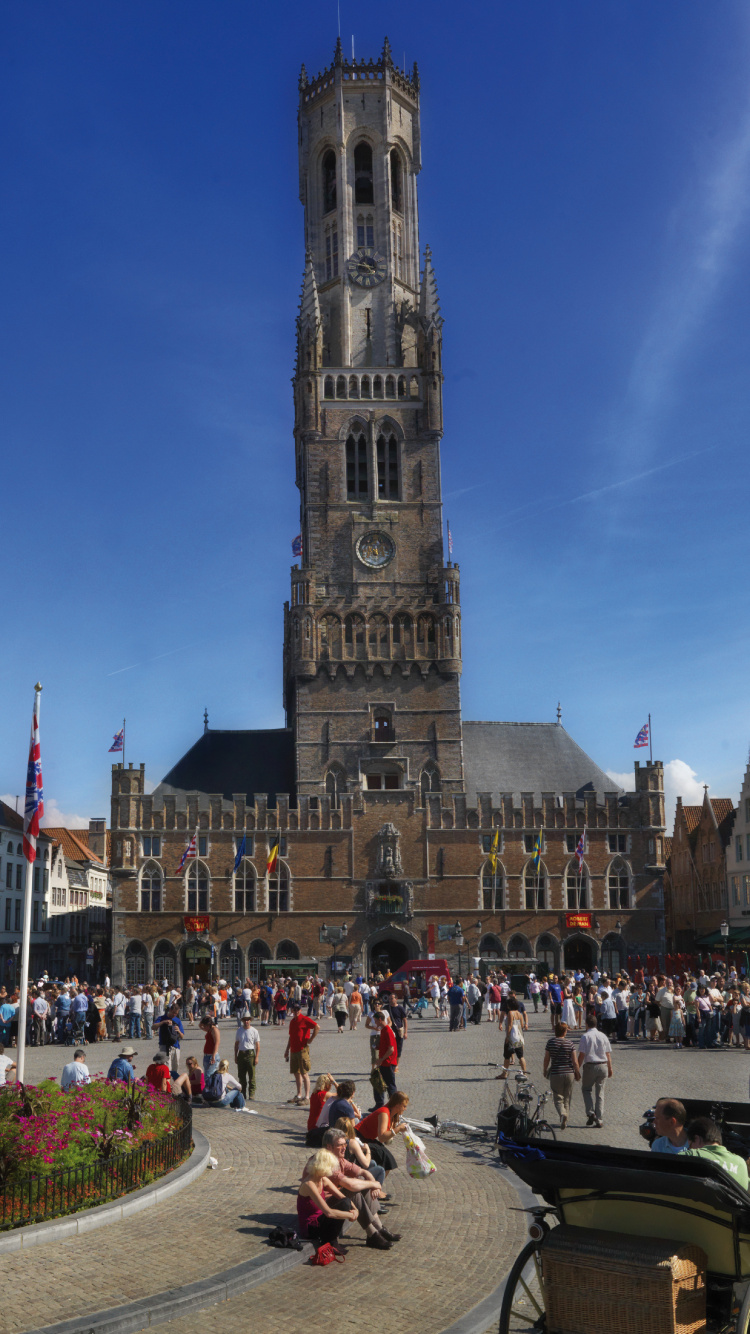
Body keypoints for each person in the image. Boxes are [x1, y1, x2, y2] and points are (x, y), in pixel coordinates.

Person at [321, 1127, 398, 1249]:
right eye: (340, 1145)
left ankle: (379, 1228)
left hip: (335, 1201)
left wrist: (373, 1183)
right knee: (354, 1189)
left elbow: (363, 1171)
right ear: (329, 1147)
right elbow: (350, 1185)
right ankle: (372, 1234)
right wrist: (375, 1184)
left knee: (362, 1181)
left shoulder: (339, 1159)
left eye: (345, 1144)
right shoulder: (326, 1163)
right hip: (322, 1207)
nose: (344, 1147)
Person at [296, 1149, 358, 1254]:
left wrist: (355, 1209)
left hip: (320, 1220)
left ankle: (332, 1240)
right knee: (343, 1205)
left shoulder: (322, 1179)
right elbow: (328, 1212)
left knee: (345, 1201)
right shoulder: (309, 1184)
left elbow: (342, 1197)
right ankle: (331, 1241)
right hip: (311, 1227)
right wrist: (349, 1215)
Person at [684, 1116, 749, 1190]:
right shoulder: (741, 1164)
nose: (690, 1149)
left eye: (690, 1145)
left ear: (696, 1139)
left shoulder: (690, 1155)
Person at [356, 1091, 409, 1178]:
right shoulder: (384, 1113)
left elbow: (386, 1139)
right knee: (388, 1160)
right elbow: (381, 1137)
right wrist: (398, 1129)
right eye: (404, 1106)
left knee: (387, 1160)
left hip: (366, 1138)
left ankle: (374, 1185)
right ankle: (375, 1186)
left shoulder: (391, 1114)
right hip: (360, 1138)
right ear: (397, 1105)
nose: (405, 1109)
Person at [577, 1013, 613, 1128]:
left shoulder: (585, 1037)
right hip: (603, 1066)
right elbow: (608, 1054)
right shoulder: (603, 1036)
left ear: (586, 1024)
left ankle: (590, 1112)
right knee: (600, 1092)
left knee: (586, 1089)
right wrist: (610, 1068)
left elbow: (582, 1055)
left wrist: (576, 1069)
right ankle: (599, 1118)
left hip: (590, 1066)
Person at [543, 1021, 580, 1130]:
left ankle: (562, 1114)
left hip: (556, 1073)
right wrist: (577, 1072)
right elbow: (575, 1061)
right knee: (567, 1097)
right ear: (565, 1031)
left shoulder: (550, 1042)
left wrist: (545, 1070)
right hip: (569, 1073)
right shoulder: (570, 1043)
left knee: (558, 1097)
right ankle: (566, 1119)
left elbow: (547, 1058)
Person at [284, 1003, 319, 1105]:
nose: (296, 1011)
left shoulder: (304, 1019)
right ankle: (299, 1095)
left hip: (302, 1049)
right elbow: (291, 1037)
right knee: (296, 1073)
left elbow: (317, 1027)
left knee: (304, 1073)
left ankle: (307, 1097)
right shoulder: (292, 1022)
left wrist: (311, 1039)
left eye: (298, 1009)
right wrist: (287, 1050)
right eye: (294, 1010)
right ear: (292, 1011)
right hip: (293, 1050)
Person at [371, 1011, 399, 1104]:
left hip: (388, 1062)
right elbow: (386, 1046)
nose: (375, 1023)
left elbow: (391, 1049)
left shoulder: (388, 1030)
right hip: (384, 1062)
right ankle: (379, 1104)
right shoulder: (383, 1030)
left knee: (390, 1085)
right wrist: (377, 1046)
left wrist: (381, 1059)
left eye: (375, 1020)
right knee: (378, 1083)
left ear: (380, 1019)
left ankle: (394, 1105)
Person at [497, 995, 527, 1079]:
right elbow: (521, 1025)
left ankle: (505, 1073)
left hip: (512, 1038)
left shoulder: (510, 1013)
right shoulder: (519, 1013)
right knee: (521, 1056)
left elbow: (510, 1025)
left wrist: (507, 1036)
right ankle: (524, 1073)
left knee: (507, 1056)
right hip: (519, 1037)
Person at [234, 1013, 260, 1100]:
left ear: (250, 1020)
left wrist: (257, 1057)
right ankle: (243, 1094)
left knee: (251, 1075)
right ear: (242, 1021)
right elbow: (236, 1044)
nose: (246, 1021)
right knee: (241, 1076)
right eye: (245, 1020)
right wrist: (235, 1056)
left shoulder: (254, 1031)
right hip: (241, 1053)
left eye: (248, 1019)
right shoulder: (239, 1030)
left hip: (250, 1054)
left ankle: (251, 1094)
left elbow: (257, 1045)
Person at [155, 1004, 185, 1075]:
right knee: (166, 1067)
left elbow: (182, 1036)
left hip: (175, 1046)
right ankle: (166, 1084)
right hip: (164, 1046)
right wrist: (163, 1022)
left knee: (175, 1067)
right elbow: (153, 1027)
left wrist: (178, 1031)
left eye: (176, 1013)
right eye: (173, 1013)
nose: (174, 1015)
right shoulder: (162, 1018)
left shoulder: (177, 1020)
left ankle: (174, 1082)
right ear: (170, 1010)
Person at [200, 1015, 221, 1081]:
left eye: (205, 1025)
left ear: (209, 1024)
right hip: (206, 1055)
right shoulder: (209, 1029)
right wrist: (205, 1018)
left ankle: (210, 1090)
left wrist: (213, 1056)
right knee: (208, 1075)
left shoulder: (214, 1030)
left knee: (208, 1077)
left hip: (212, 1055)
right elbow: (200, 1026)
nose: (204, 1027)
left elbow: (217, 1043)